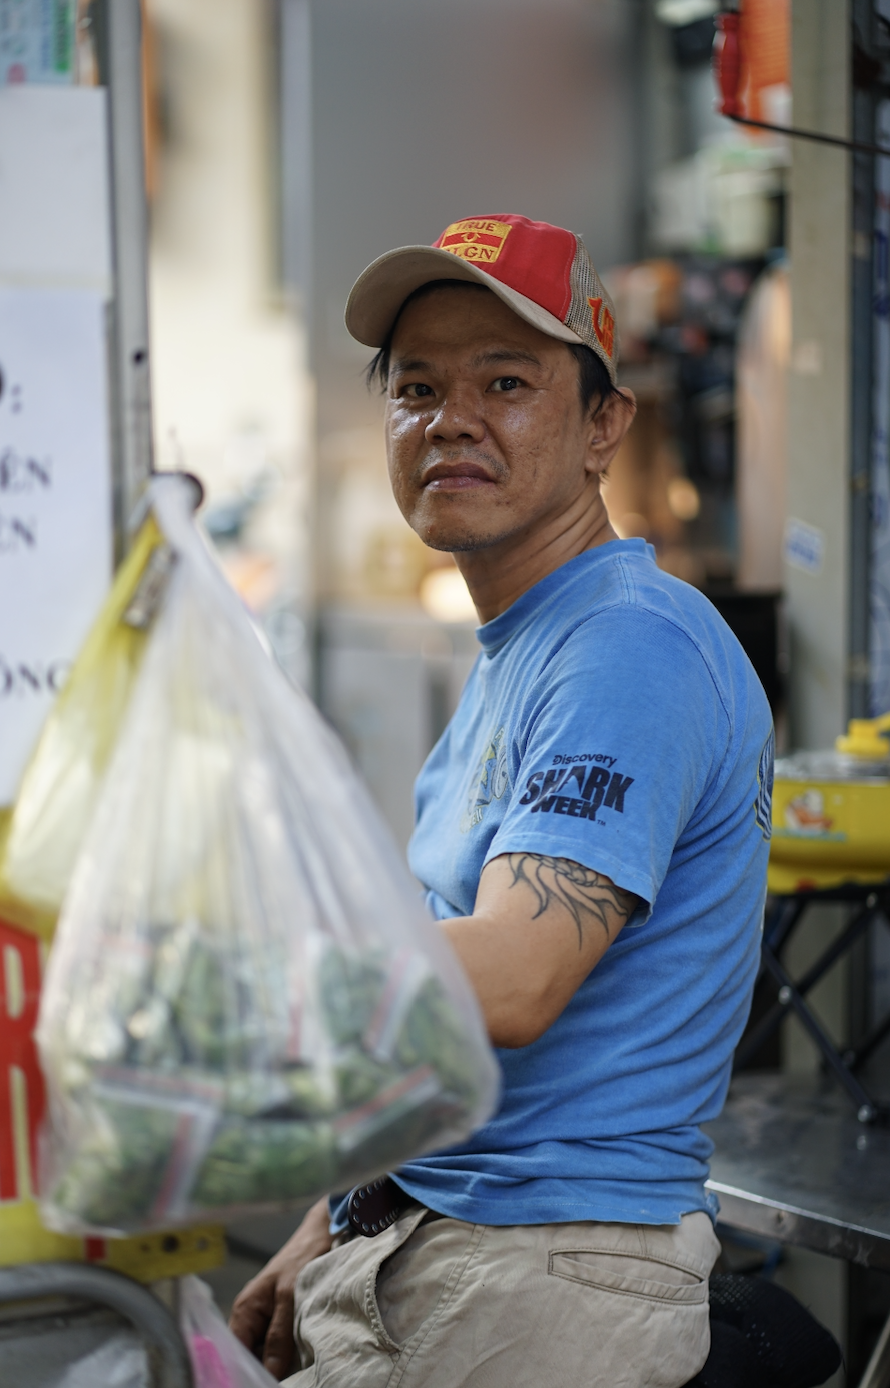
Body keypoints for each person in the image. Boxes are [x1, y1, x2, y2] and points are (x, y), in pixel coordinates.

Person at [230, 213, 773, 1387]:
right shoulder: (521, 651)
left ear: (602, 425)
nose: (450, 419)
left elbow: (517, 979)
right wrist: (330, 1214)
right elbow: (447, 1010)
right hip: (437, 1231)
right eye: (416, 387)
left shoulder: (627, 648)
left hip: (547, 1267)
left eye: (508, 381)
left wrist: (238, 960)